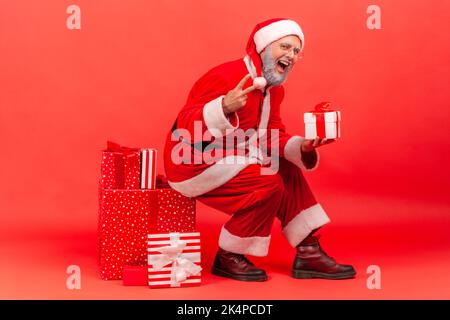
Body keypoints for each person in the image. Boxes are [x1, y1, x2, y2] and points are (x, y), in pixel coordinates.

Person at [164, 18, 356, 281]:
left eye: (296, 52)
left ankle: (308, 251)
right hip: (192, 161)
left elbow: (270, 135)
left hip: (234, 156)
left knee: (285, 166)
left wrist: (302, 145)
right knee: (269, 185)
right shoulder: (225, 75)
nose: (291, 55)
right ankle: (228, 256)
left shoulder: (275, 91)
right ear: (264, 47)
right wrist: (223, 107)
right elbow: (185, 123)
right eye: (285, 47)